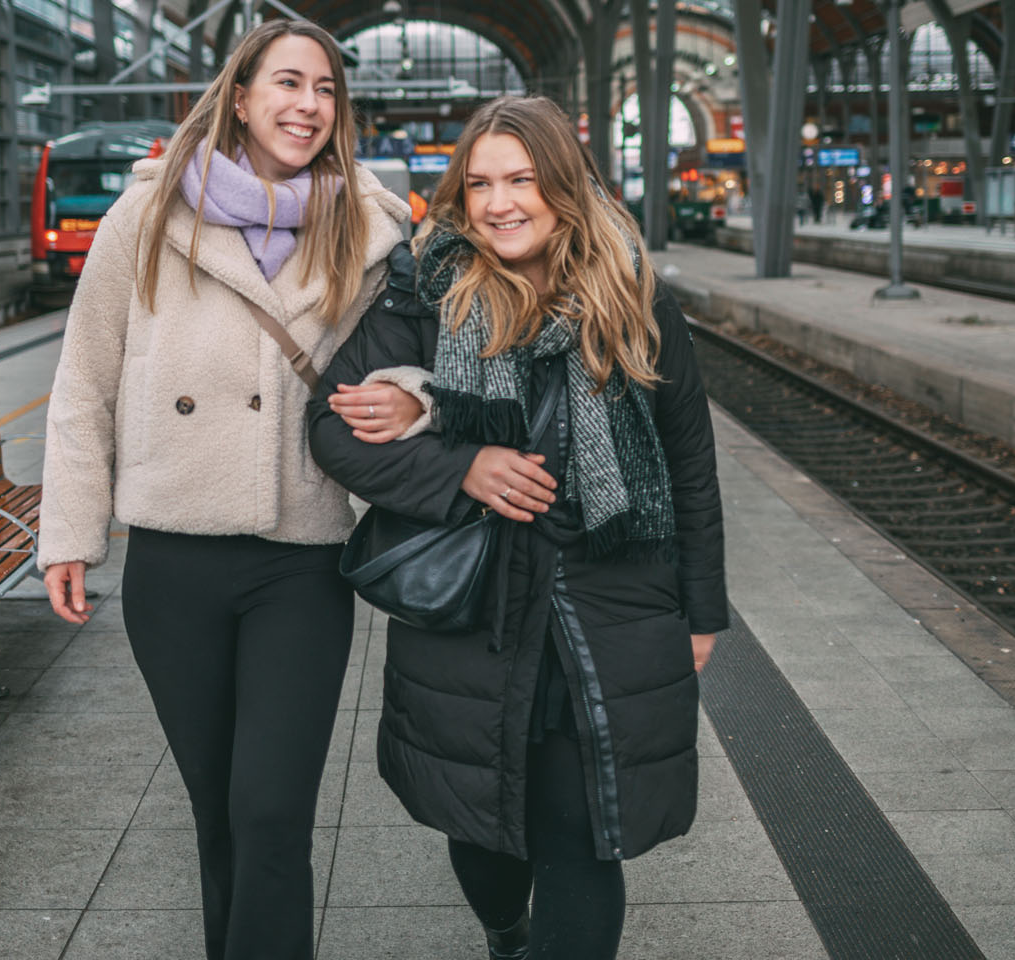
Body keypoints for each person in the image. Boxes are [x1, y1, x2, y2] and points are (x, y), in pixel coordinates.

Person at [38, 18, 429, 960]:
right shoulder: (149, 213)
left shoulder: (370, 226)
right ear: (241, 95)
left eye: (326, 89)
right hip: (174, 559)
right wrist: (68, 532)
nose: (307, 105)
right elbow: (85, 378)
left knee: (270, 814)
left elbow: (416, 361)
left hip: (301, 560)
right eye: (288, 83)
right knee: (217, 814)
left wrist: (411, 404)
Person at [307, 95, 728, 960]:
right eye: (482, 182)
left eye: (523, 179)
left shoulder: (636, 300)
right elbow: (330, 426)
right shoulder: (424, 295)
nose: (501, 202)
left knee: (580, 831)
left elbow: (691, 463)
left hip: (609, 599)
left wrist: (703, 609)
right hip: (479, 604)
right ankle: (507, 934)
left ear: (564, 187)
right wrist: (459, 469)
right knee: (486, 828)